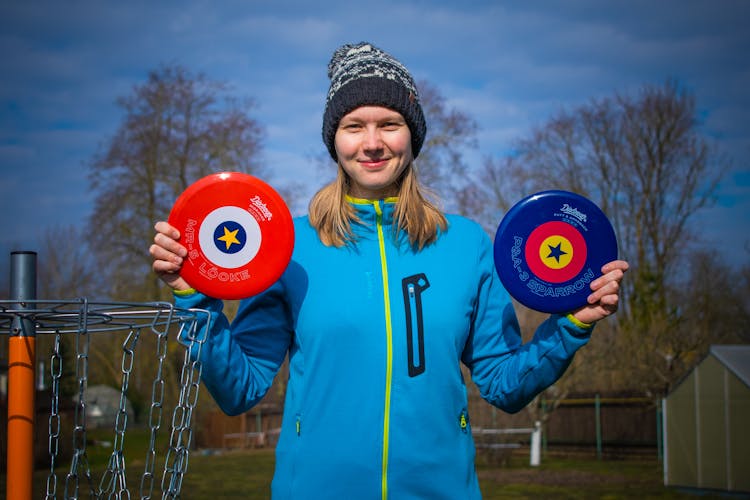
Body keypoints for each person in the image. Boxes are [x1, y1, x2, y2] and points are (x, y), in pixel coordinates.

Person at [150, 42, 629, 499]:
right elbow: (240, 389)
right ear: (333, 139)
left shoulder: (465, 245)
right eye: (354, 125)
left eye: (390, 123)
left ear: (413, 135)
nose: (373, 143)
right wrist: (197, 300)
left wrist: (572, 324)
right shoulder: (289, 248)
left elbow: (504, 384)